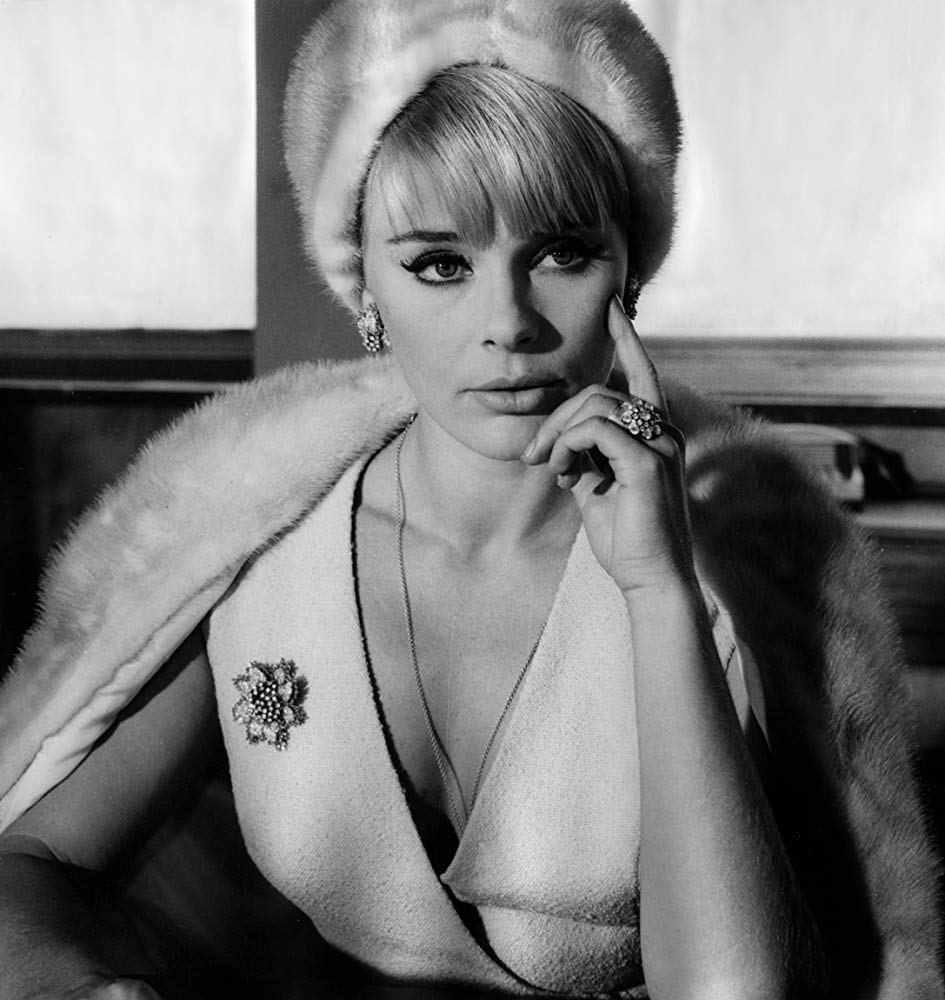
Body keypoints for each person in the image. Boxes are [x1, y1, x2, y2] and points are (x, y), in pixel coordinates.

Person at [0, 1, 941, 998]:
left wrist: (655, 587)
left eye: (563, 253)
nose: (508, 323)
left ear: (629, 273)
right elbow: (35, 857)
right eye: (440, 264)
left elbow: (736, 990)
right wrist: (73, 986)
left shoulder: (721, 571)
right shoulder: (257, 543)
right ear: (365, 287)